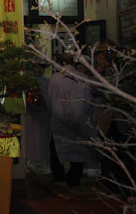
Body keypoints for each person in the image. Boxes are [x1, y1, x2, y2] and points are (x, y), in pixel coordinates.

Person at [47, 58, 97, 188]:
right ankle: (74, 178)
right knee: (78, 148)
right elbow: (89, 100)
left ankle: (59, 175)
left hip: (59, 117)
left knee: (56, 146)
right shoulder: (83, 78)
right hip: (78, 117)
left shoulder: (55, 78)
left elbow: (50, 98)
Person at [24, 60, 51, 174]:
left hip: (44, 114)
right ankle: (30, 163)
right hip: (30, 113)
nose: (37, 70)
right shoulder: (26, 81)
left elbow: (49, 98)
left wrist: (41, 99)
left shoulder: (48, 82)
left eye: (40, 67)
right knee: (30, 139)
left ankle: (46, 165)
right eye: (35, 67)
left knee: (43, 140)